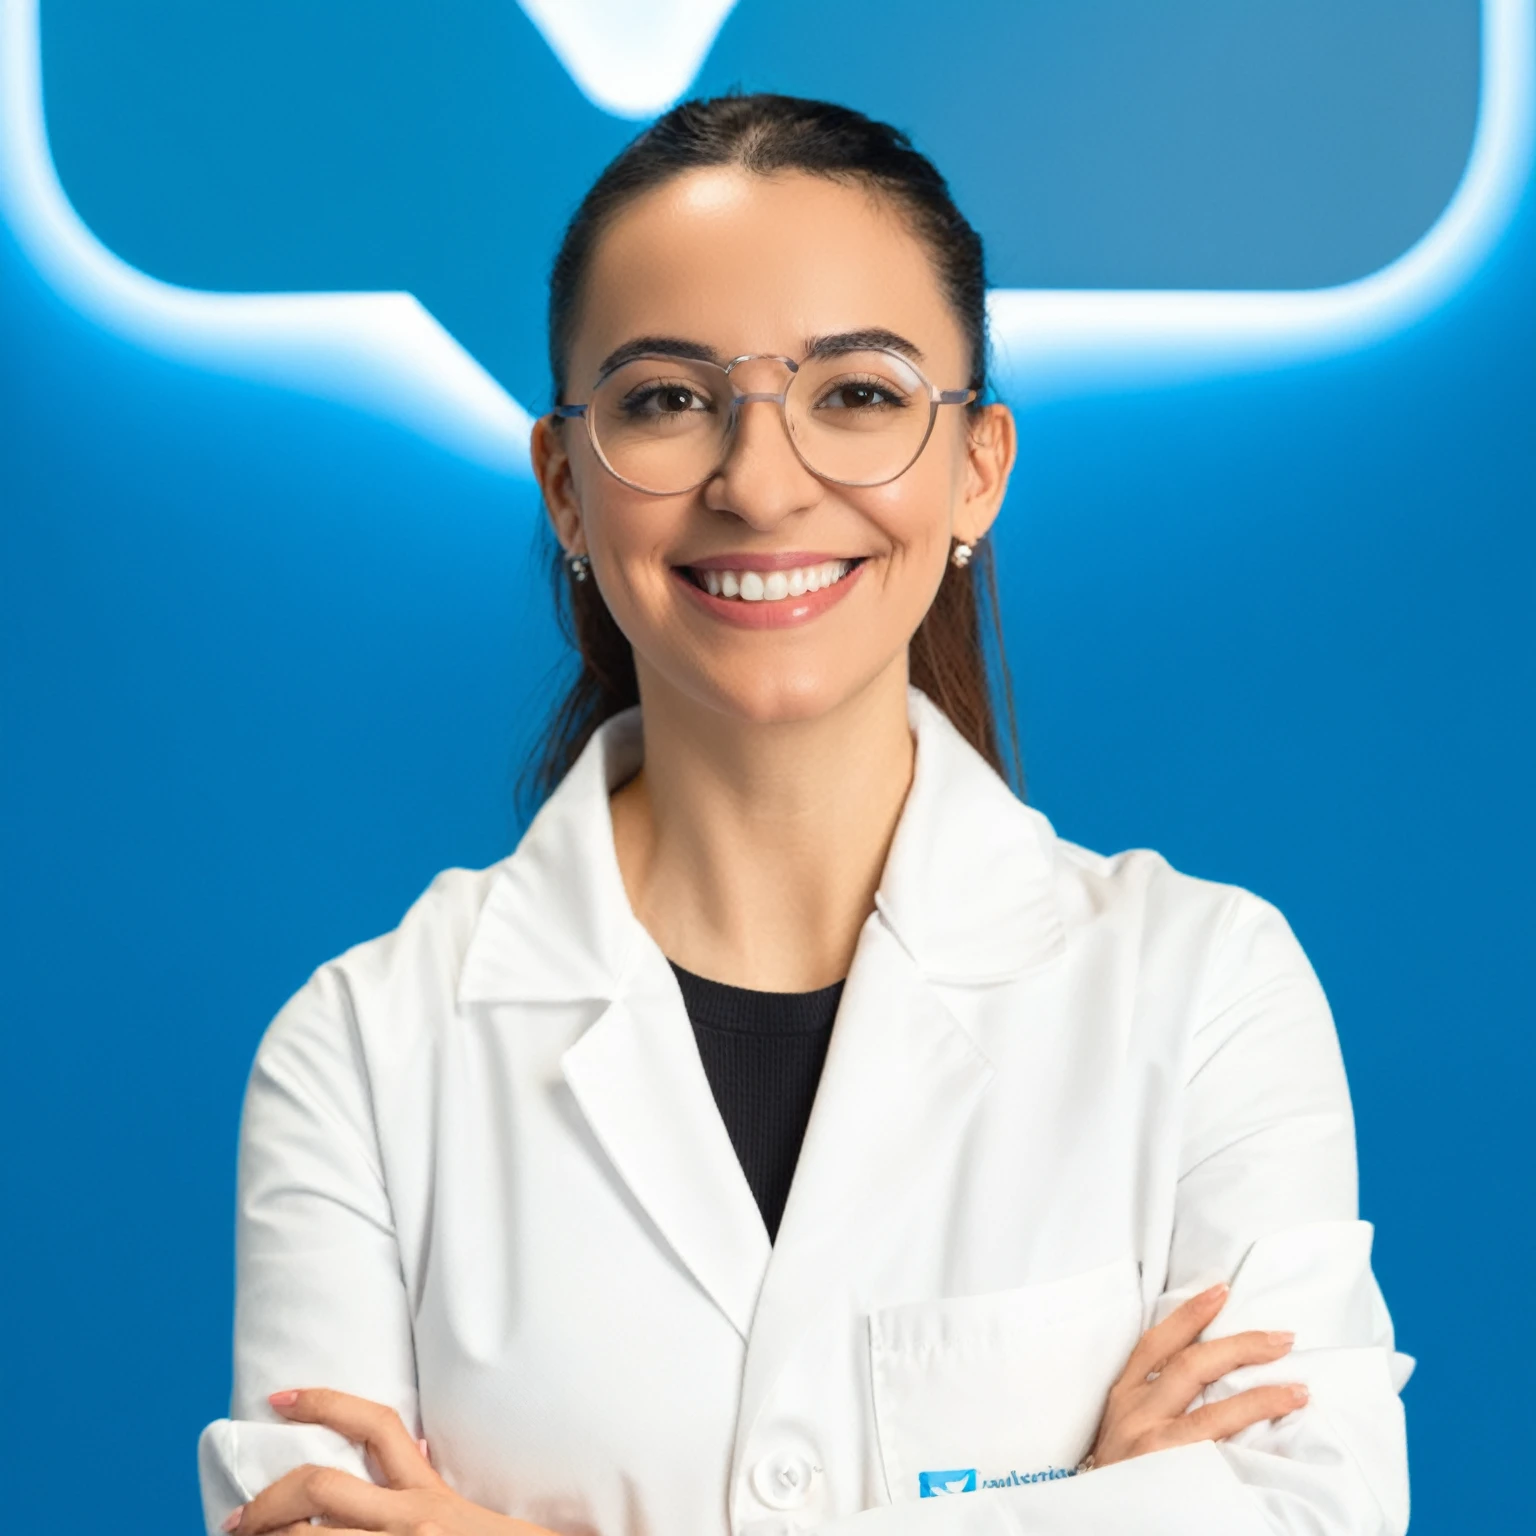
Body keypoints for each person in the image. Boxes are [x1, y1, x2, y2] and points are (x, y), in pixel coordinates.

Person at [198, 94, 1411, 1536]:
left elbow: (1304, 1512)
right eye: (664, 399)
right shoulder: (363, 1055)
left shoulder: (1202, 989)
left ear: (978, 467)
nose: (761, 484)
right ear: (565, 488)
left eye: (860, 395)